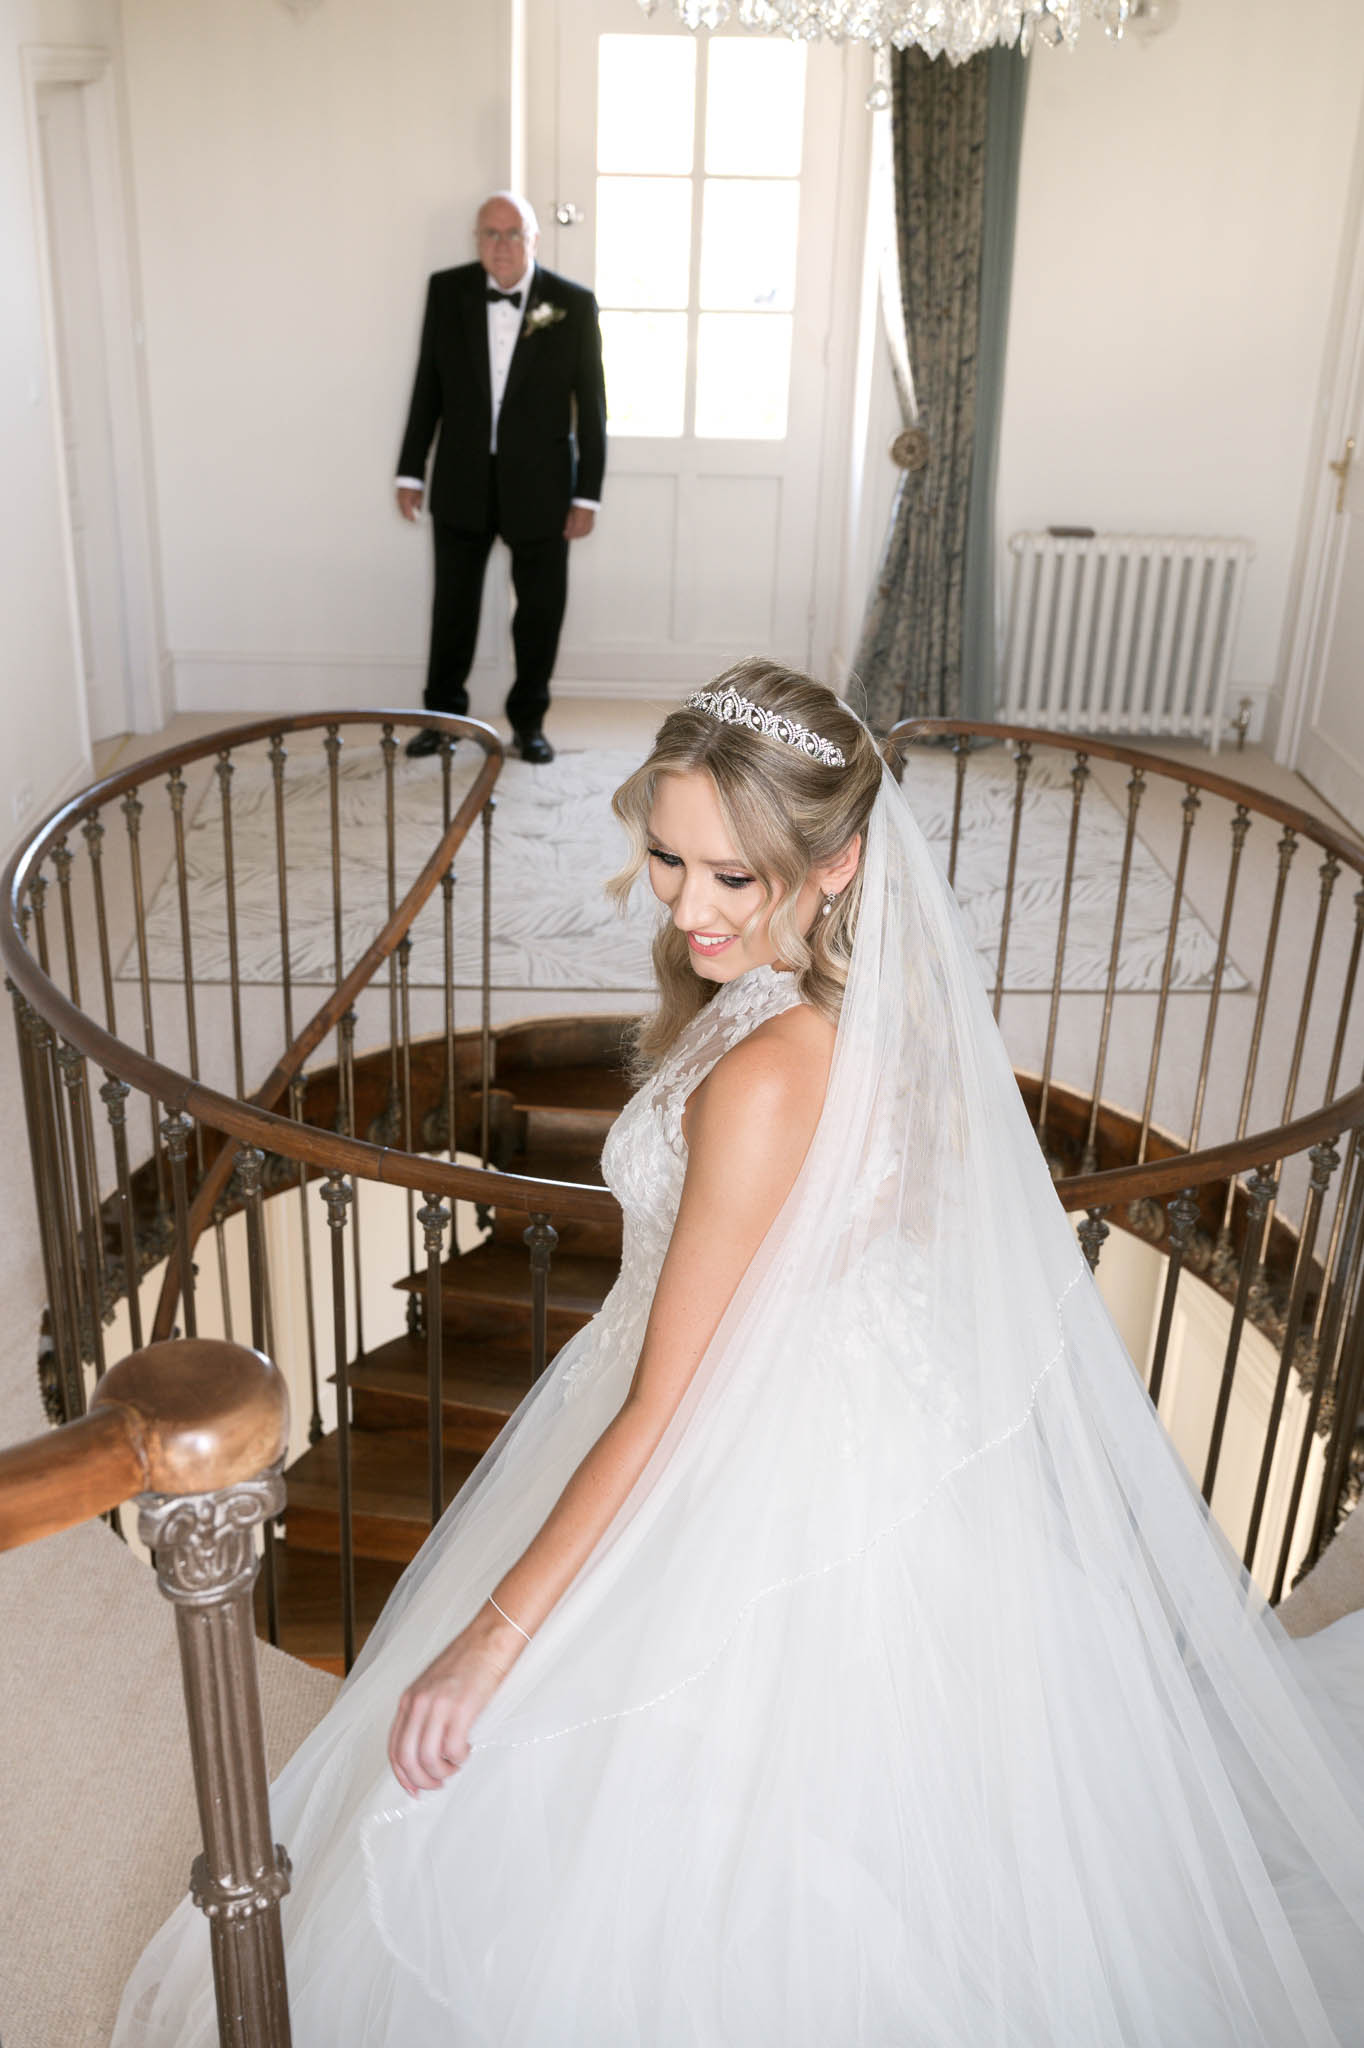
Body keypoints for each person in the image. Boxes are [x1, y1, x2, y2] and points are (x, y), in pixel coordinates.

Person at [116, 661, 1364, 2045]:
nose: (691, 908)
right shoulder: (834, 1012)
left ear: (835, 867)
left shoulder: (776, 1067)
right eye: (667, 858)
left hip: (745, 1456)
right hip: (838, 1408)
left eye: (734, 877)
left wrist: (492, 1639)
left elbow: (665, 1404)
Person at [396, 191, 606, 766]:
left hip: (543, 488)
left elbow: (591, 408)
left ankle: (529, 723)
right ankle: (441, 719)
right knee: (452, 608)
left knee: (539, 613)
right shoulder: (448, 291)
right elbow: (427, 387)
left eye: (514, 233)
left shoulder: (572, 304)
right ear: (477, 241)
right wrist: (411, 471)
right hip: (461, 481)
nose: (502, 245)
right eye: (490, 234)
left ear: (534, 240)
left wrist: (587, 493)